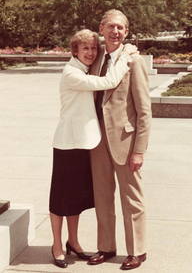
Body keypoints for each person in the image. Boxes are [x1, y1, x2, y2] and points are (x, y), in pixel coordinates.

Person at [49, 28, 137, 268]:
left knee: (74, 199)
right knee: (60, 199)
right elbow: (109, 81)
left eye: (93, 48)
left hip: (85, 143)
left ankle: (73, 243)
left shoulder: (83, 69)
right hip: (67, 144)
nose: (90, 52)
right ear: (74, 51)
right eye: (85, 48)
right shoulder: (71, 74)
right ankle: (57, 246)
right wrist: (126, 56)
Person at [88, 9, 152, 270]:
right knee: (102, 196)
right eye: (111, 26)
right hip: (97, 141)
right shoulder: (95, 57)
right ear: (101, 29)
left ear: (126, 32)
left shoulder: (134, 61)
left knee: (132, 198)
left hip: (125, 142)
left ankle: (137, 250)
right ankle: (106, 246)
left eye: (121, 28)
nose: (115, 31)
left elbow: (144, 110)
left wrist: (139, 150)